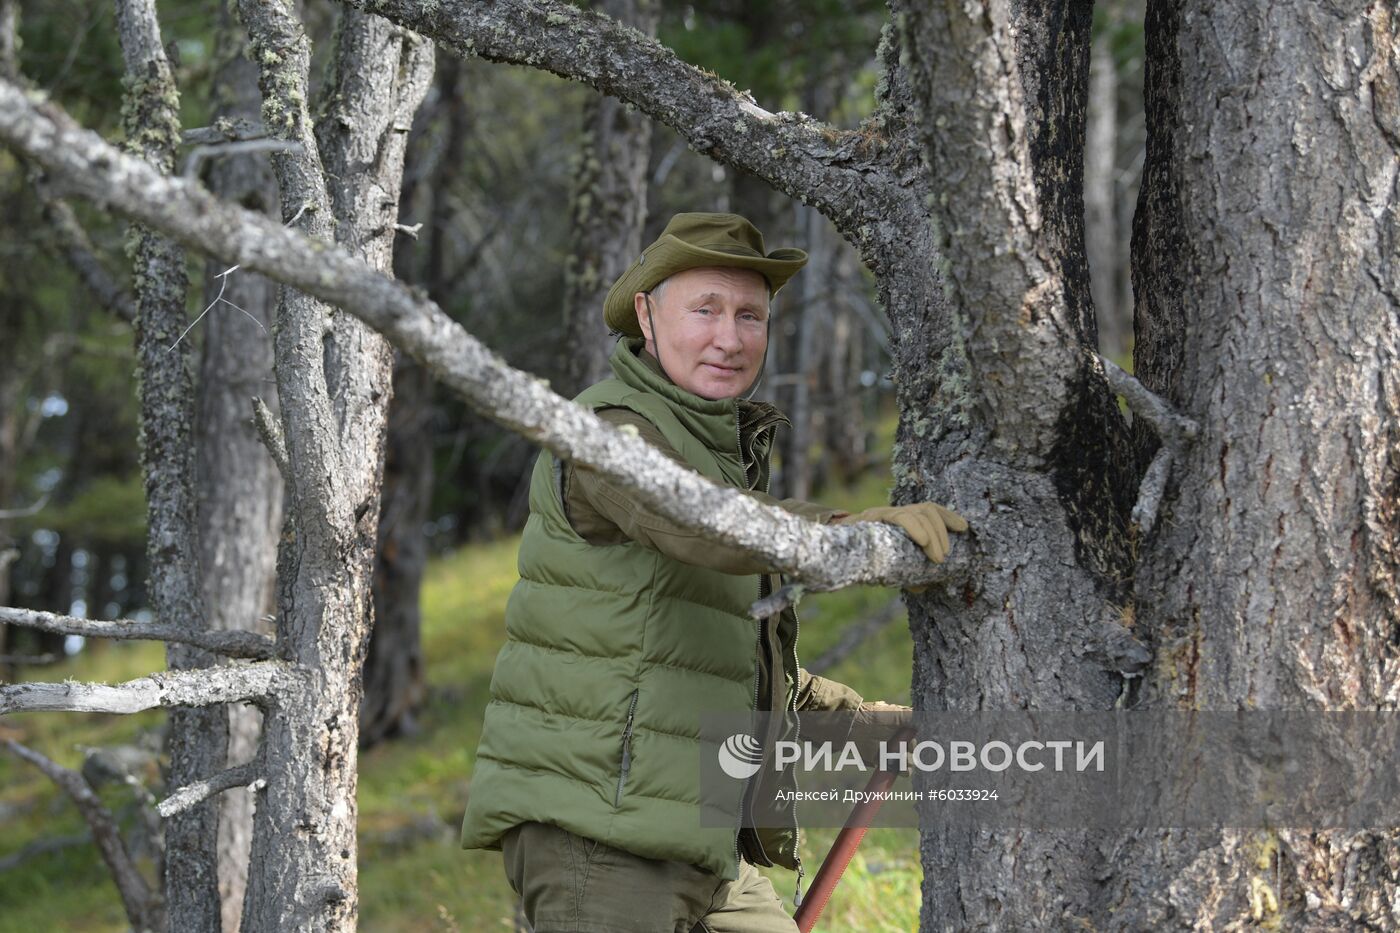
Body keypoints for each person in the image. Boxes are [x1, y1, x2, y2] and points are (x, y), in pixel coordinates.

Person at [460, 212, 968, 932]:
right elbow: (697, 523)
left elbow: (725, 665)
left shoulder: (722, 453)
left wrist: (864, 725)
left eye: (749, 315)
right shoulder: (608, 431)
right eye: (706, 309)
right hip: (602, 840)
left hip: (709, 844)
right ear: (647, 311)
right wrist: (841, 528)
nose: (729, 337)